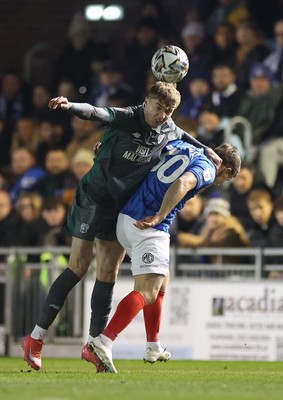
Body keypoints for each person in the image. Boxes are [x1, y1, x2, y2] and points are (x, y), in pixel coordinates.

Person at [22, 81, 222, 371]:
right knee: (78, 266)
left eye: (168, 111)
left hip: (121, 205)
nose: (162, 115)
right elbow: (97, 112)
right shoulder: (128, 117)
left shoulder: (168, 129)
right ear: (146, 101)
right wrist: (70, 106)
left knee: (108, 273)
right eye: (158, 107)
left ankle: (94, 347)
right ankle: (36, 338)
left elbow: (184, 134)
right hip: (94, 196)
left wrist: (208, 149)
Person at [88, 141, 241, 373]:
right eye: (225, 179)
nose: (219, 182)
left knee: (162, 279)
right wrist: (160, 215)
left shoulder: (182, 145)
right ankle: (103, 341)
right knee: (147, 291)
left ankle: (153, 345)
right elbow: (182, 182)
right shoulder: (208, 168)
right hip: (149, 226)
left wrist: (110, 149)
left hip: (126, 219)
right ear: (226, 170)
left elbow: (145, 150)